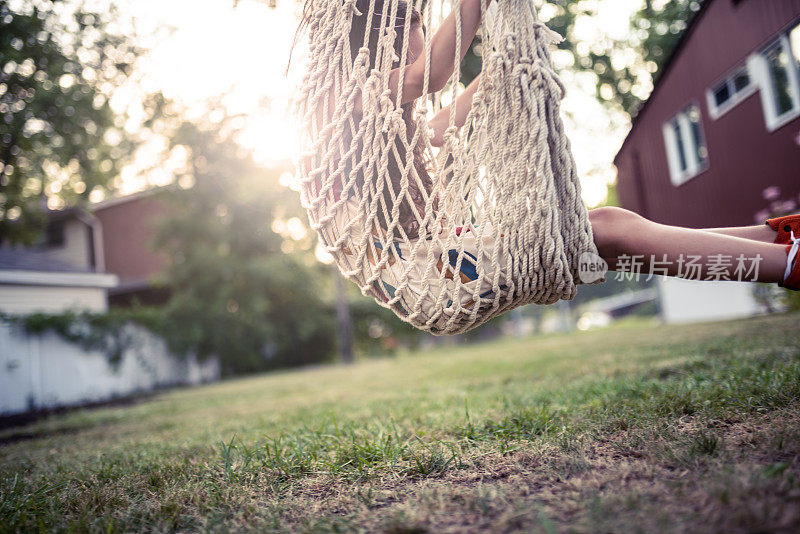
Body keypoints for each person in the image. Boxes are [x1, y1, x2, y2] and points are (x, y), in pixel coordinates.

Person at [296, 0, 799, 330]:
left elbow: (442, 122)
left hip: (447, 258)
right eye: (416, 31)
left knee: (610, 230)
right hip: (430, 274)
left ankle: (780, 241)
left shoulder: (388, 125)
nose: (423, 40)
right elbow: (430, 75)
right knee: (606, 232)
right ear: (382, 35)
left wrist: (516, 56)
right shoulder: (343, 96)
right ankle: (787, 262)